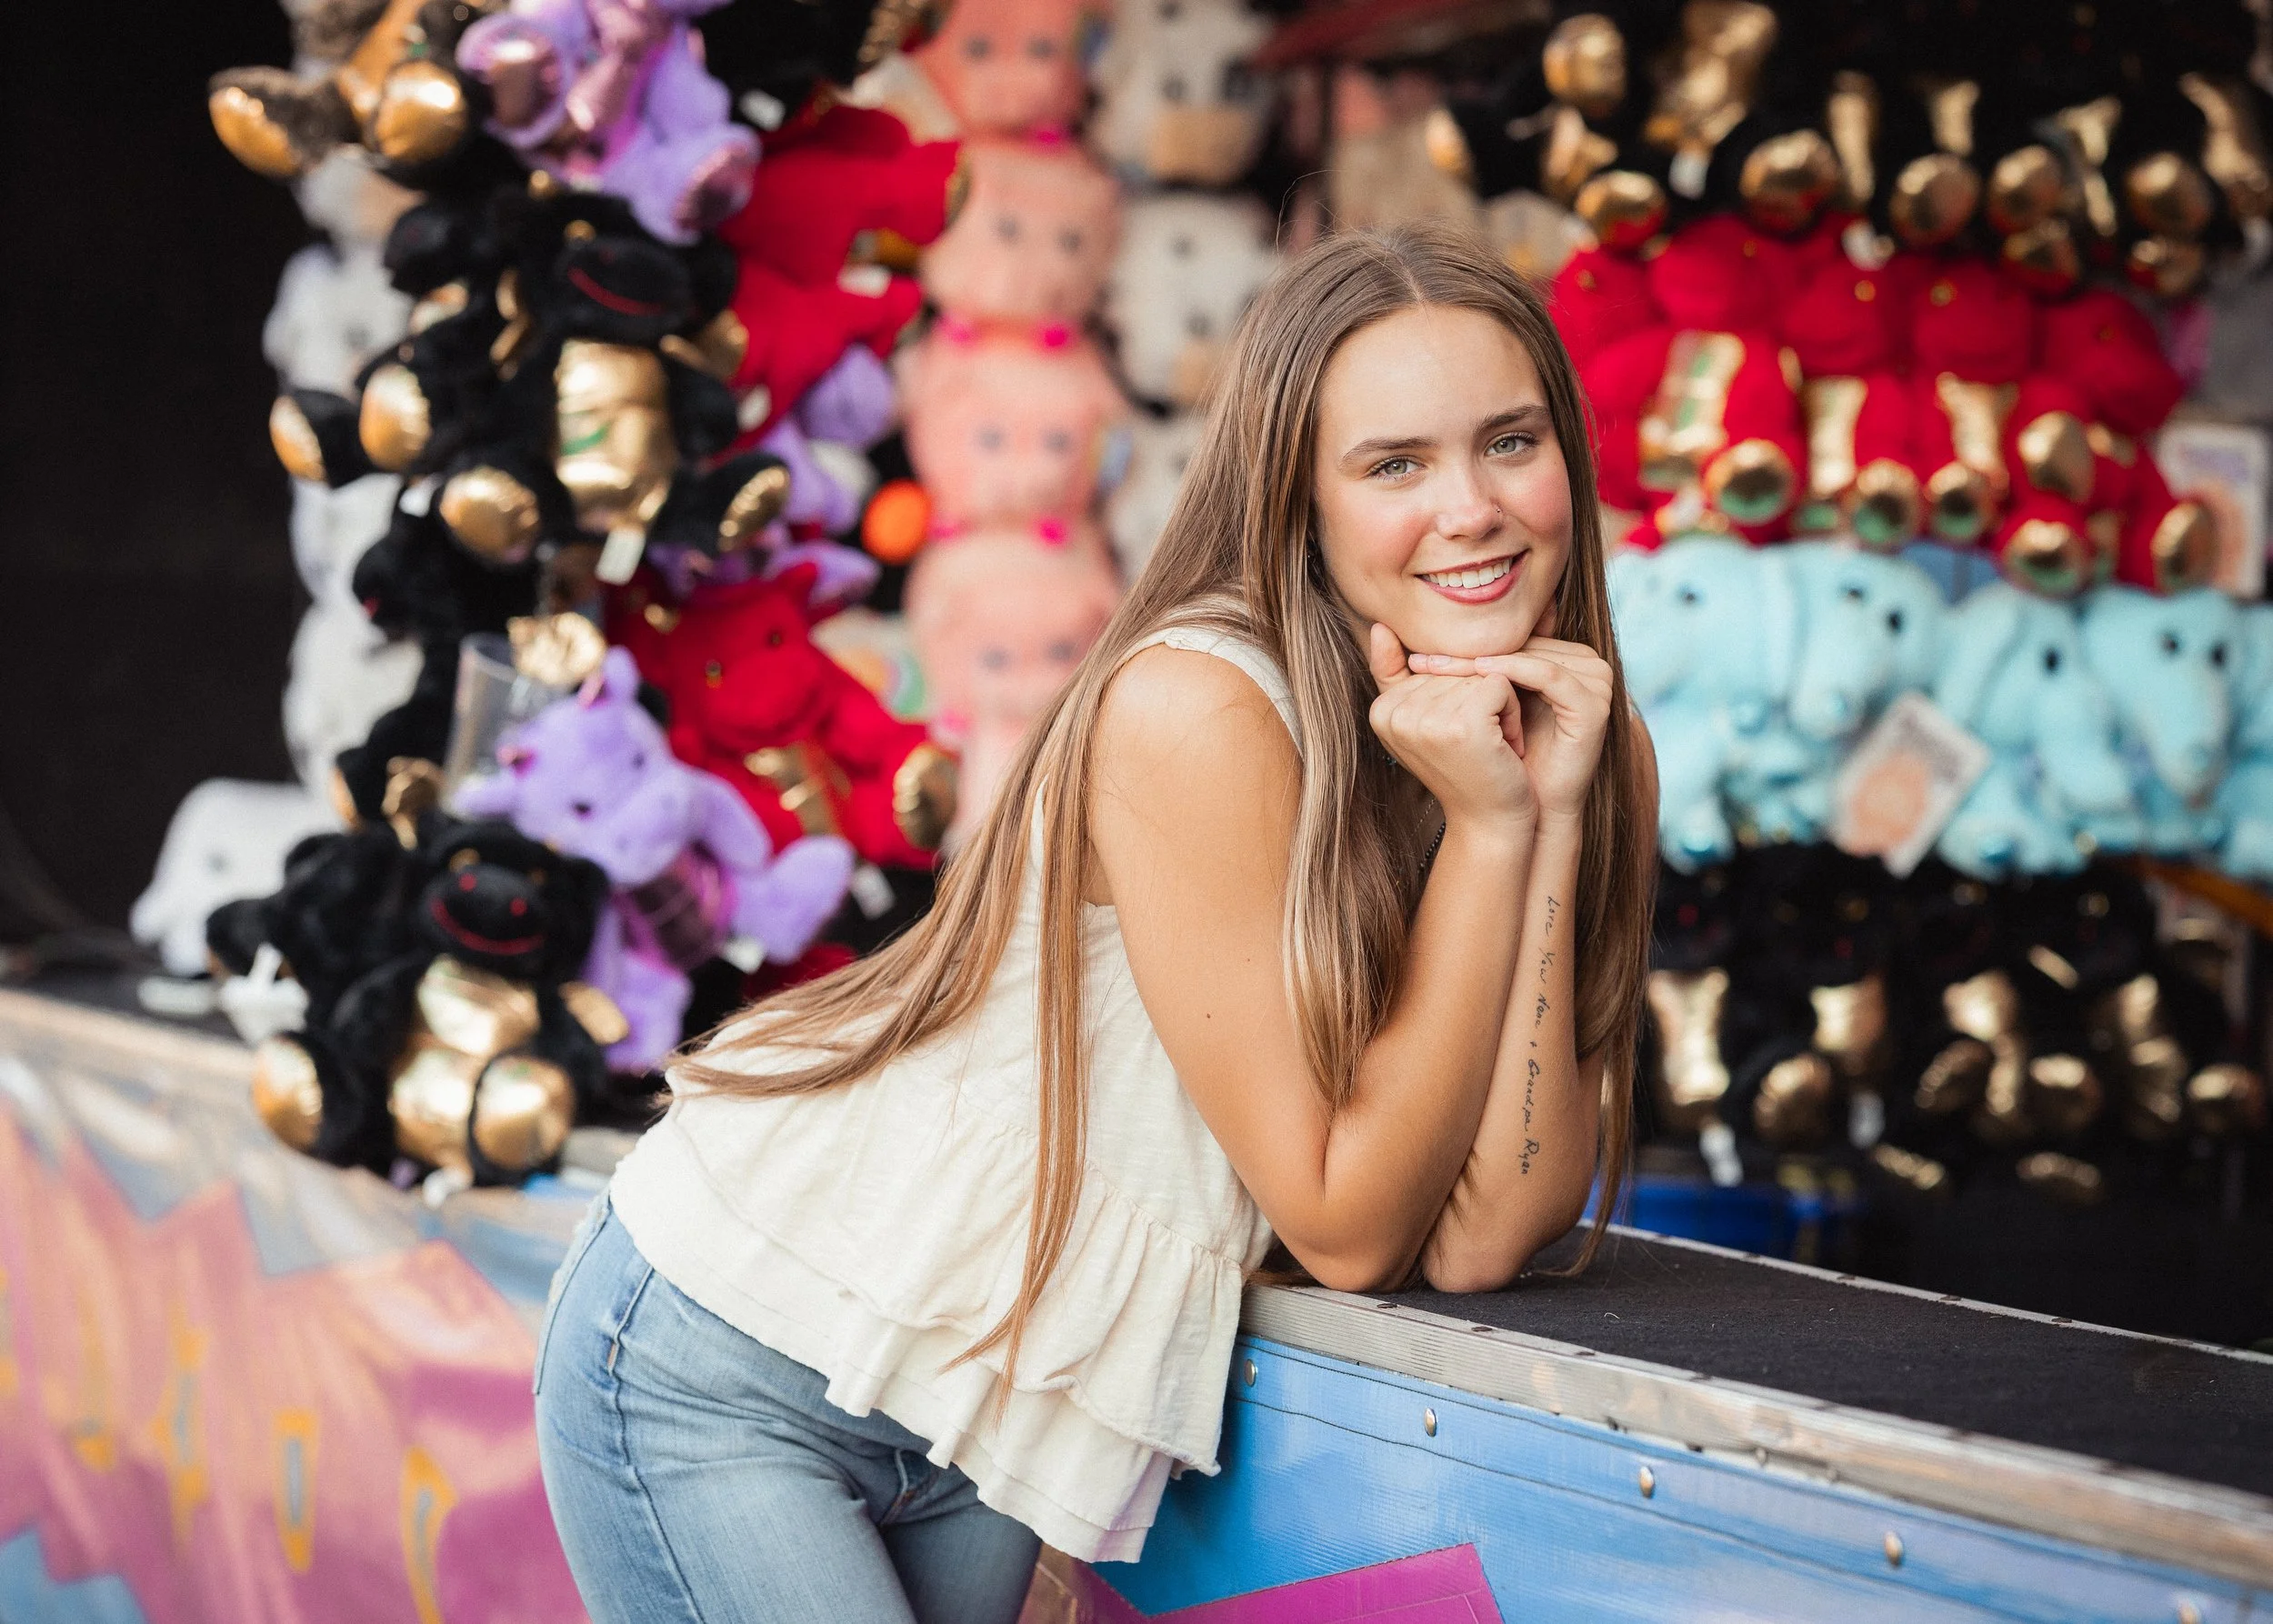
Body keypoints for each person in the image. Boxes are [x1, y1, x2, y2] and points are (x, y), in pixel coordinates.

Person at [534, 220, 1657, 1624]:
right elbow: (1354, 1225)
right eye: (1393, 464)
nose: (1473, 507)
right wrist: (1493, 832)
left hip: (979, 1402)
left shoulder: (1557, 721)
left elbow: (1489, 1232)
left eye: (1510, 441)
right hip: (737, 1361)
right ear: (1298, 500)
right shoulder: (1199, 706)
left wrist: (1538, 821)